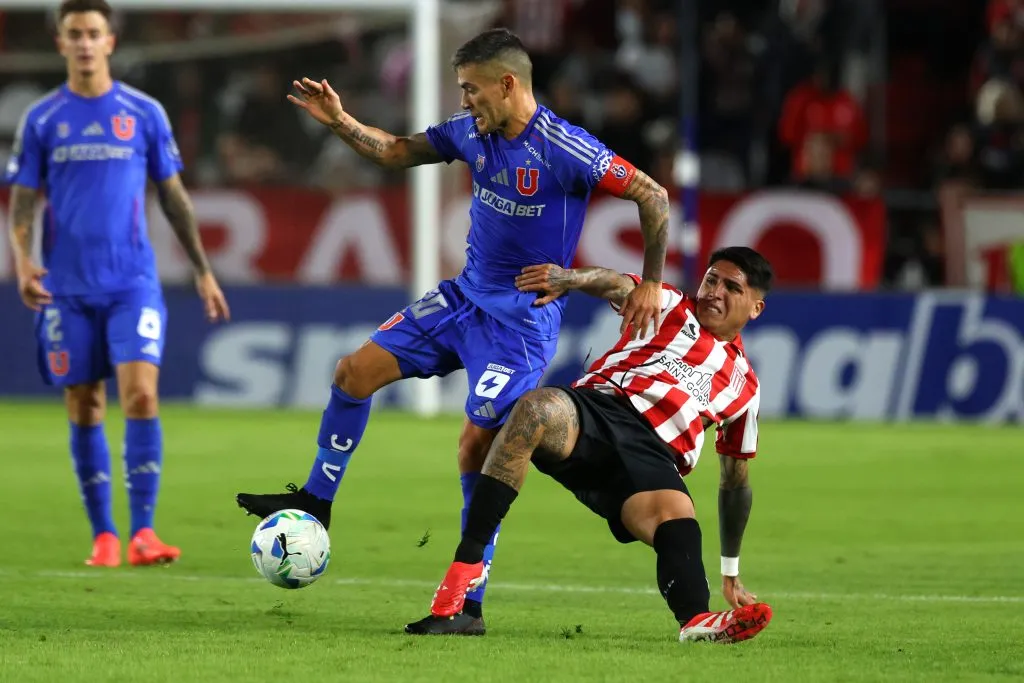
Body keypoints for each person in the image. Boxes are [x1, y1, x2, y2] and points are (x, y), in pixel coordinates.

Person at [235, 28, 670, 635]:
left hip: (520, 323)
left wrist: (649, 282)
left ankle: (468, 600)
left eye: (471, 90)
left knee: (478, 446)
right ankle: (315, 501)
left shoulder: (565, 148)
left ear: (507, 84)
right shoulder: (470, 134)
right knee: (352, 373)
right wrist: (339, 121)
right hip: (462, 299)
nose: (464, 101)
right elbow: (393, 151)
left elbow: (653, 195)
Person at [423, 247, 775, 644]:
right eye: (712, 279)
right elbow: (618, 283)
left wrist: (731, 569)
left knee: (677, 519)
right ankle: (467, 568)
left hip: (652, 459)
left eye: (731, 287)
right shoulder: (672, 304)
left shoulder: (745, 388)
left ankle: (697, 621)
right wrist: (567, 278)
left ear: (755, 307)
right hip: (595, 412)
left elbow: (735, 482)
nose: (714, 291)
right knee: (536, 410)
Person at [4, 0, 230, 567]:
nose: (84, 43)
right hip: (67, 287)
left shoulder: (144, 112)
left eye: (93, 33)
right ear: (61, 43)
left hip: (132, 282)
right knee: (84, 404)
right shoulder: (42, 119)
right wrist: (23, 261)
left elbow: (174, 197)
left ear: (110, 41)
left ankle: (144, 533)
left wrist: (202, 270)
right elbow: (23, 202)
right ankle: (104, 534)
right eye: (74, 34)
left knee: (142, 395)